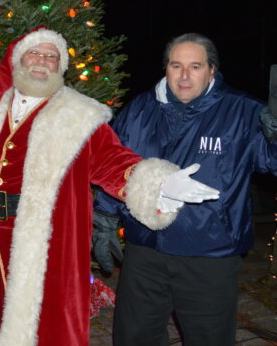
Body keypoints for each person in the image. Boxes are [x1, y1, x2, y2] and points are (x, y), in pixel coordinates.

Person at [0, 26, 219, 346]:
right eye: (34, 53)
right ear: (16, 59)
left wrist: (160, 184)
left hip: (47, 244)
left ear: (60, 66)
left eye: (51, 56)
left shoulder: (80, 116)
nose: (42, 61)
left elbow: (114, 161)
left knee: (40, 327)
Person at [93, 33, 277, 346]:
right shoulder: (140, 109)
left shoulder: (244, 112)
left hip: (208, 251)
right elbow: (115, 161)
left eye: (195, 66)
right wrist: (105, 215)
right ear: (166, 68)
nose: (185, 76)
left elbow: (270, 162)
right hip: (145, 245)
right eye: (176, 66)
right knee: (133, 336)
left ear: (212, 70)